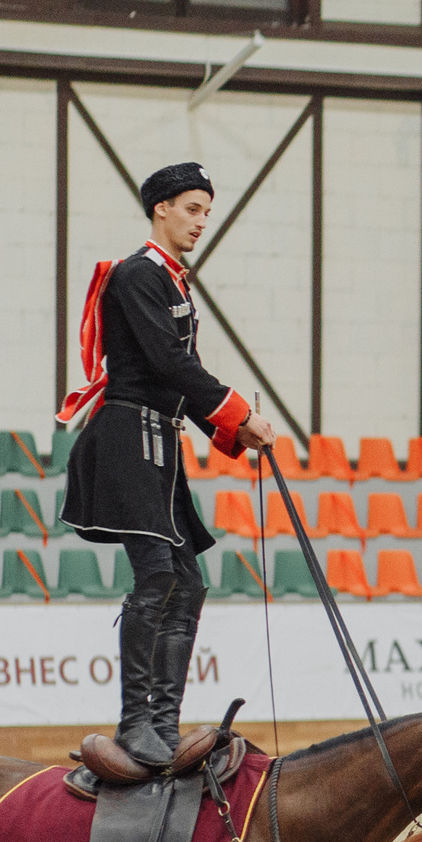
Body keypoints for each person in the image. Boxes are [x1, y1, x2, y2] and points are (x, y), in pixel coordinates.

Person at [58, 162, 277, 782]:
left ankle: (164, 719)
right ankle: (137, 721)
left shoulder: (173, 283)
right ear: (160, 209)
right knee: (157, 576)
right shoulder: (138, 275)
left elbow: (182, 375)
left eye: (206, 210)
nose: (201, 221)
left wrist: (233, 432)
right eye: (191, 209)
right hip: (127, 437)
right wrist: (238, 413)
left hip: (160, 439)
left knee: (189, 582)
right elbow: (166, 362)